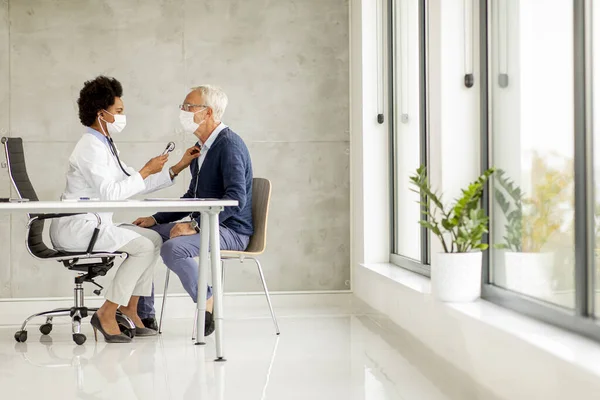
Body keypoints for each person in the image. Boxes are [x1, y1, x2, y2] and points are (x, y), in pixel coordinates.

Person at [50, 76, 200, 343]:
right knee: (142, 246)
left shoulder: (106, 145)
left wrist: (176, 167)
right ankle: (107, 312)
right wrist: (144, 171)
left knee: (153, 238)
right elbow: (112, 194)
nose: (123, 116)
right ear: (102, 114)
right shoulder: (89, 148)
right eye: (119, 111)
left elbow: (133, 183)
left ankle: (130, 308)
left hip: (93, 225)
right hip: (77, 229)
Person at [133, 85, 253, 336]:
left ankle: (208, 303)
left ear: (208, 112)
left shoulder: (228, 145)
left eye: (189, 107)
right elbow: (191, 198)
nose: (183, 111)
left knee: (172, 249)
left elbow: (236, 199)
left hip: (232, 230)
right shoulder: (203, 148)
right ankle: (144, 315)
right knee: (141, 237)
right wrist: (155, 219)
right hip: (210, 224)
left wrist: (195, 226)